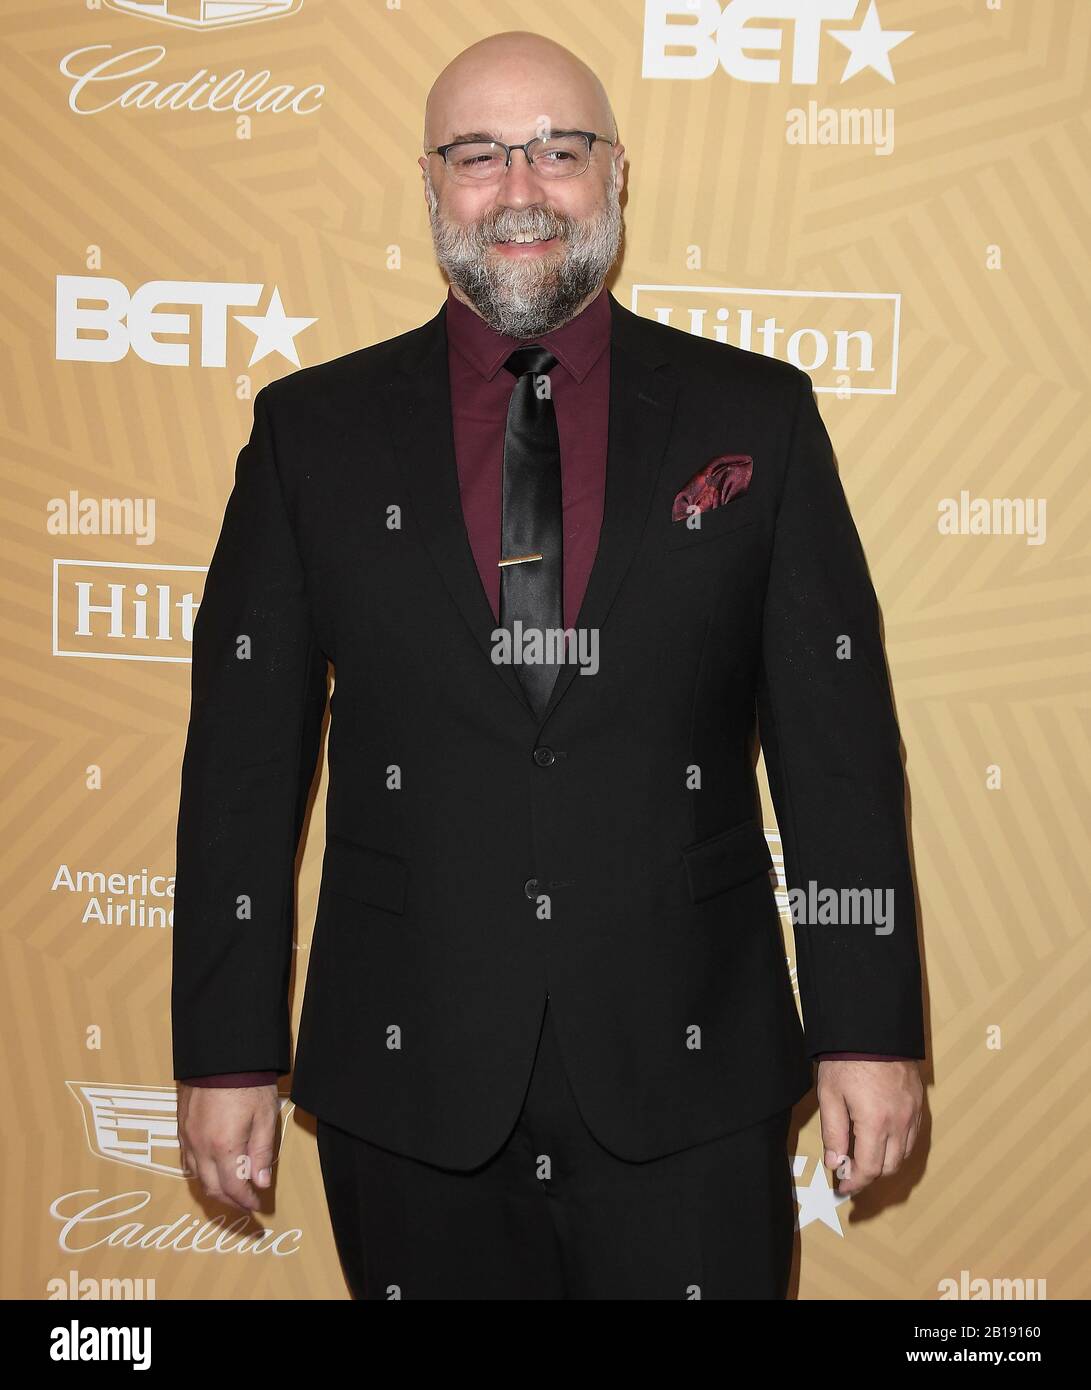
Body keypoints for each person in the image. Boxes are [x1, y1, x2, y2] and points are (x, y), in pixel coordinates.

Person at [172, 30, 925, 1300]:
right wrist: (229, 1049)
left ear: (615, 179)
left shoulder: (757, 418)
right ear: (429, 187)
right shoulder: (309, 435)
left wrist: (867, 1028)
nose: (519, 188)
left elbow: (837, 757)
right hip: (408, 1079)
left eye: (558, 150)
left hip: (690, 1076)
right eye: (477, 154)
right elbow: (242, 771)